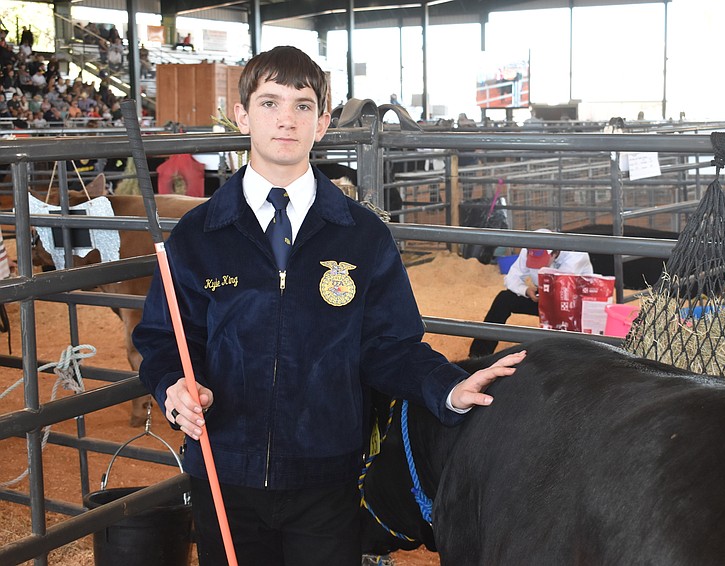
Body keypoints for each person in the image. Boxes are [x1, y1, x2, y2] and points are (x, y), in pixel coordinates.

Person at [132, 45, 525, 566]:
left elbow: (389, 347)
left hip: (329, 481)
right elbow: (163, 339)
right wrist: (173, 388)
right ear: (244, 115)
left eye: (303, 104)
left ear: (321, 124)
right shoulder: (197, 235)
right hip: (224, 472)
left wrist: (447, 384)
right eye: (270, 103)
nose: (286, 119)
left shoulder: (361, 236)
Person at [468, 228, 594, 358]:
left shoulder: (576, 255)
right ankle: (478, 355)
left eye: (542, 261)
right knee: (504, 299)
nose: (537, 266)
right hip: (544, 295)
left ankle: (561, 357)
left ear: (554, 253)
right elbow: (512, 277)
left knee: (561, 318)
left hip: (572, 302)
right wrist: (526, 291)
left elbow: (560, 287)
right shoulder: (530, 248)